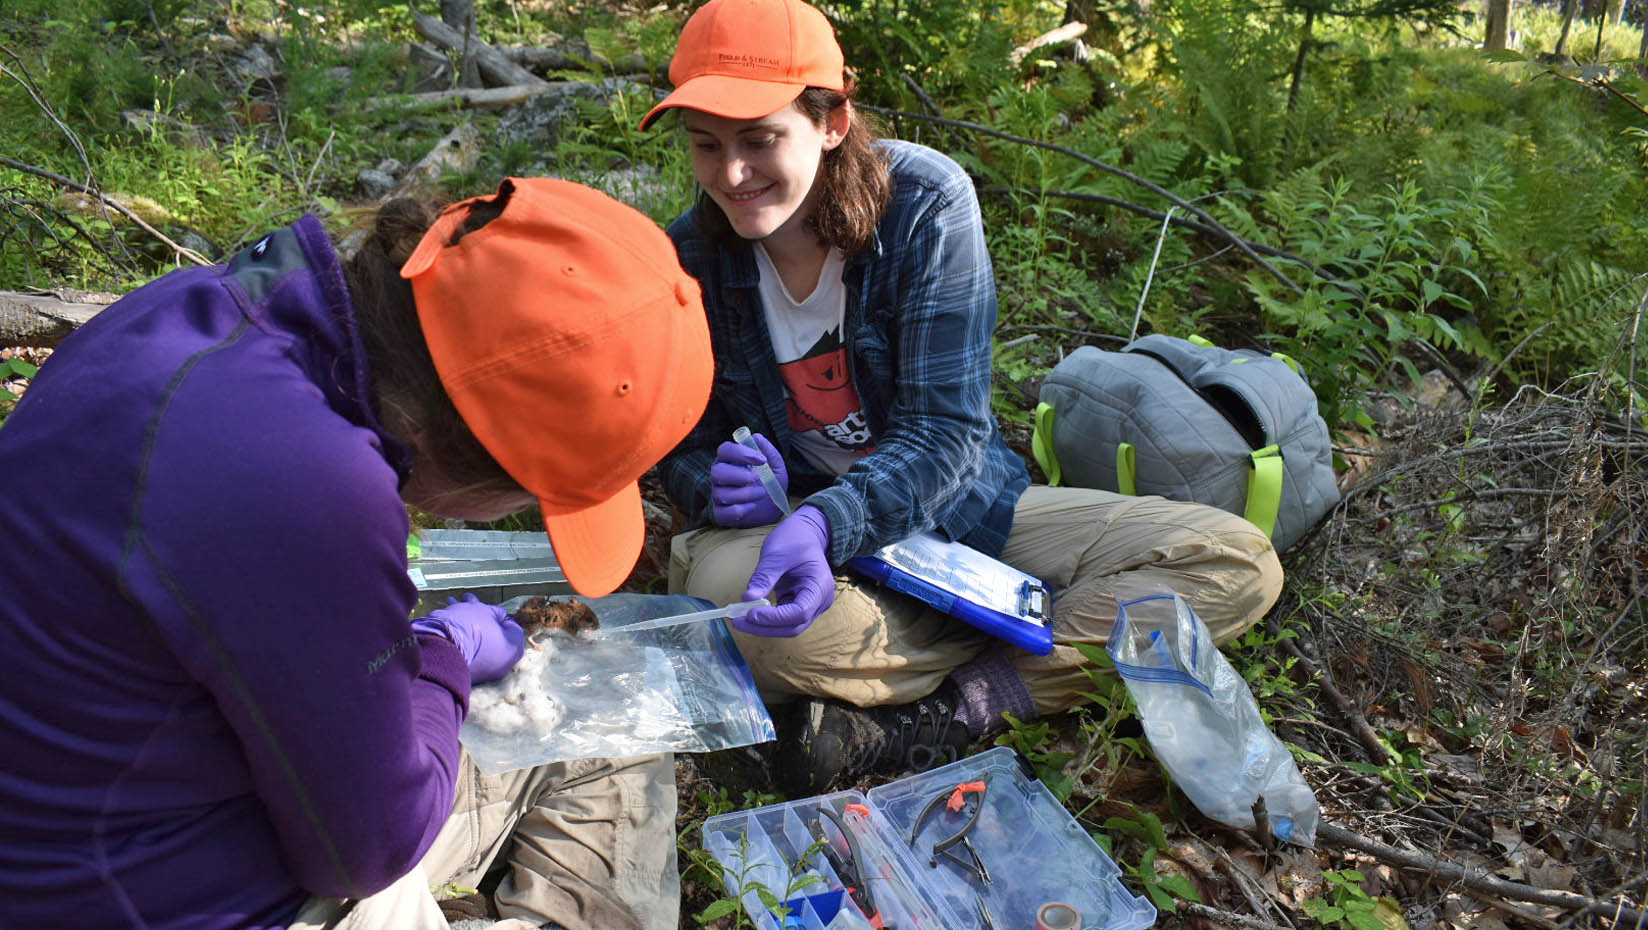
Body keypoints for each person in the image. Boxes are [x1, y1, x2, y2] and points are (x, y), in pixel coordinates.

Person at [0, 178, 713, 930]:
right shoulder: (312, 488)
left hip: (104, 819)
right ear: (455, 444)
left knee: (616, 721)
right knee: (609, 722)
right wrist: (440, 657)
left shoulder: (194, 308)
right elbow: (367, 852)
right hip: (149, 895)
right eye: (537, 493)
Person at [639, 0, 1286, 797]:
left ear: (833, 119)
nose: (732, 174)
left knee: (1236, 563)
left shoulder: (923, 206)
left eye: (760, 139)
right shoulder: (689, 257)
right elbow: (677, 440)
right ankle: (1026, 629)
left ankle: (947, 710)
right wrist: (716, 483)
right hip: (783, 535)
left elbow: (945, 435)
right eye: (707, 146)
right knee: (738, 609)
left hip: (953, 514)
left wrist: (829, 519)